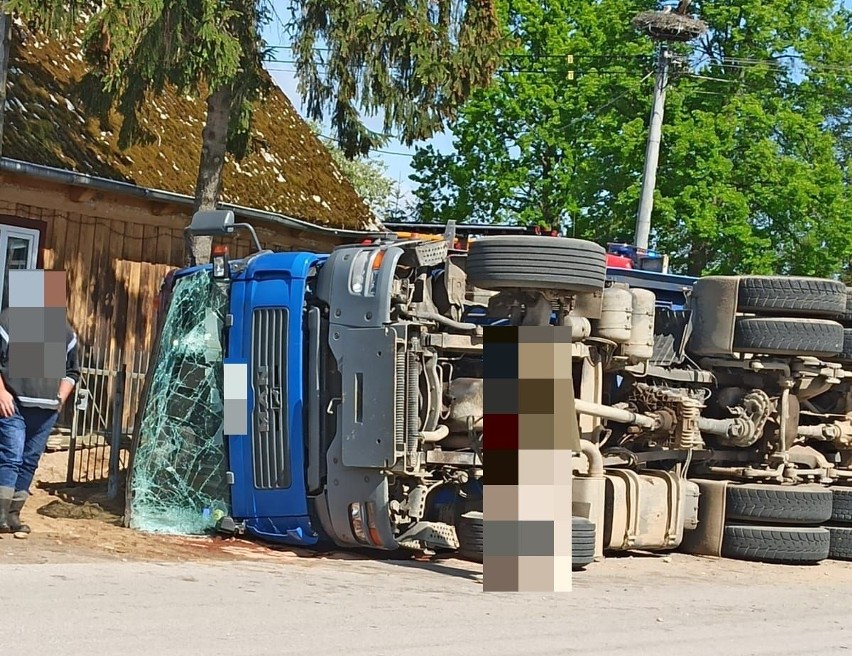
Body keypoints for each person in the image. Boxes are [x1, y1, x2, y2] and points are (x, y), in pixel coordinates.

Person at [0, 308, 80, 535]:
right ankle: (1, 514)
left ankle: (13, 514)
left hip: (46, 411)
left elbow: (72, 371)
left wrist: (60, 399)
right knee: (11, 456)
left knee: (29, 461)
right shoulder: (8, 321)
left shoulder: (63, 331)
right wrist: (2, 393)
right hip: (13, 405)